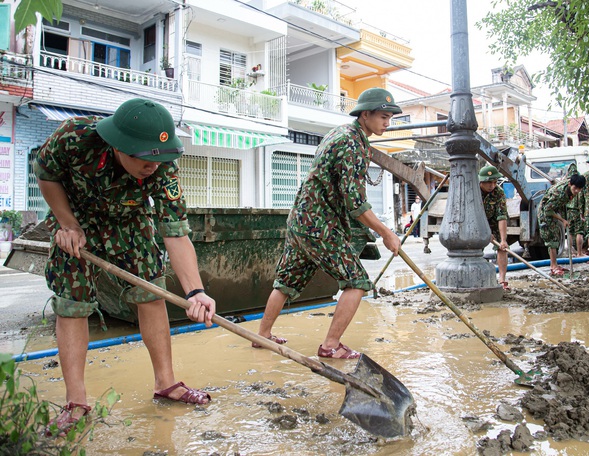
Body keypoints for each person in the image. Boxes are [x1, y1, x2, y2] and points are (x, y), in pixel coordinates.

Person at [35, 98, 216, 435]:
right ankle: (76, 402)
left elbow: (175, 232)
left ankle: (166, 383)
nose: (153, 166)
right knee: (72, 303)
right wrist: (67, 223)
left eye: (159, 159)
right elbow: (46, 174)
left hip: (130, 221)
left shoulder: (163, 165)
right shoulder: (73, 137)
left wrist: (196, 291)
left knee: (151, 292)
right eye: (144, 158)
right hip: (77, 219)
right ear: (120, 146)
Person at [256, 88, 402, 359]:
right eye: (383, 117)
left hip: (301, 221)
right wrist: (386, 233)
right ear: (365, 114)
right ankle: (331, 345)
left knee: (286, 281)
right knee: (357, 281)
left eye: (390, 118)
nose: (387, 123)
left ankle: (262, 335)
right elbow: (354, 201)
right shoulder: (353, 144)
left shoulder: (339, 133)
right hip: (319, 226)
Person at [537, 174, 586, 276]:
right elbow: (547, 210)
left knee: (556, 239)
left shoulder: (569, 188)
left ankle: (555, 264)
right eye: (575, 188)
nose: (577, 191)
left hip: (554, 211)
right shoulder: (559, 193)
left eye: (579, 189)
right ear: (570, 184)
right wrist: (562, 220)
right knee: (552, 241)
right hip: (545, 214)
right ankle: (553, 266)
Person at [478, 165, 510, 291]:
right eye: (488, 182)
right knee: (475, 248)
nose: (492, 185)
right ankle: (479, 278)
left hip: (492, 220)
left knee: (502, 249)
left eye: (494, 182)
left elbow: (501, 216)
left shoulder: (498, 192)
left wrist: (503, 240)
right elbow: (472, 214)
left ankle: (502, 280)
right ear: (481, 181)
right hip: (476, 222)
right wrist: (485, 232)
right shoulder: (473, 191)